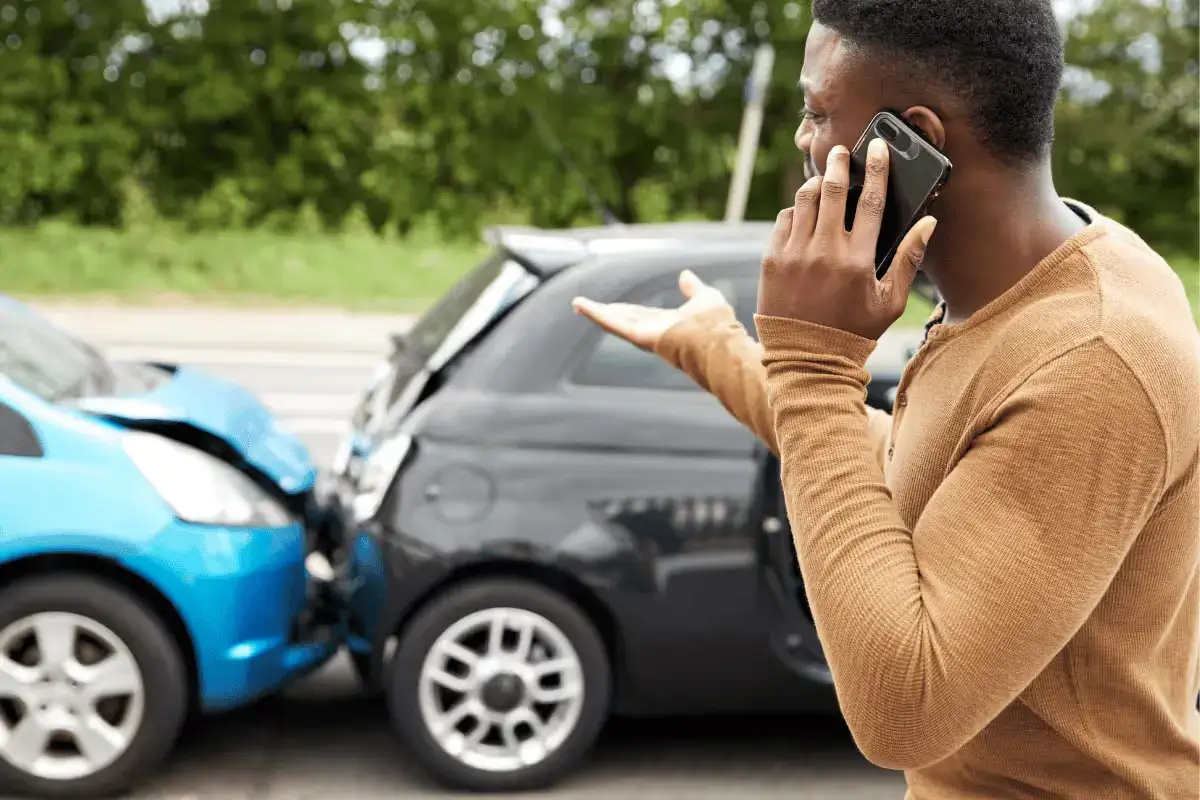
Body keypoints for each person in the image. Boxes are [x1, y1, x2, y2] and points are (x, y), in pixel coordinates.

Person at [572, 1, 1200, 797]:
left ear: (911, 140)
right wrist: (719, 349)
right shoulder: (1053, 278)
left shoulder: (1095, 357)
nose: (802, 139)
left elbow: (905, 710)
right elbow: (922, 474)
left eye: (817, 111)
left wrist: (814, 364)